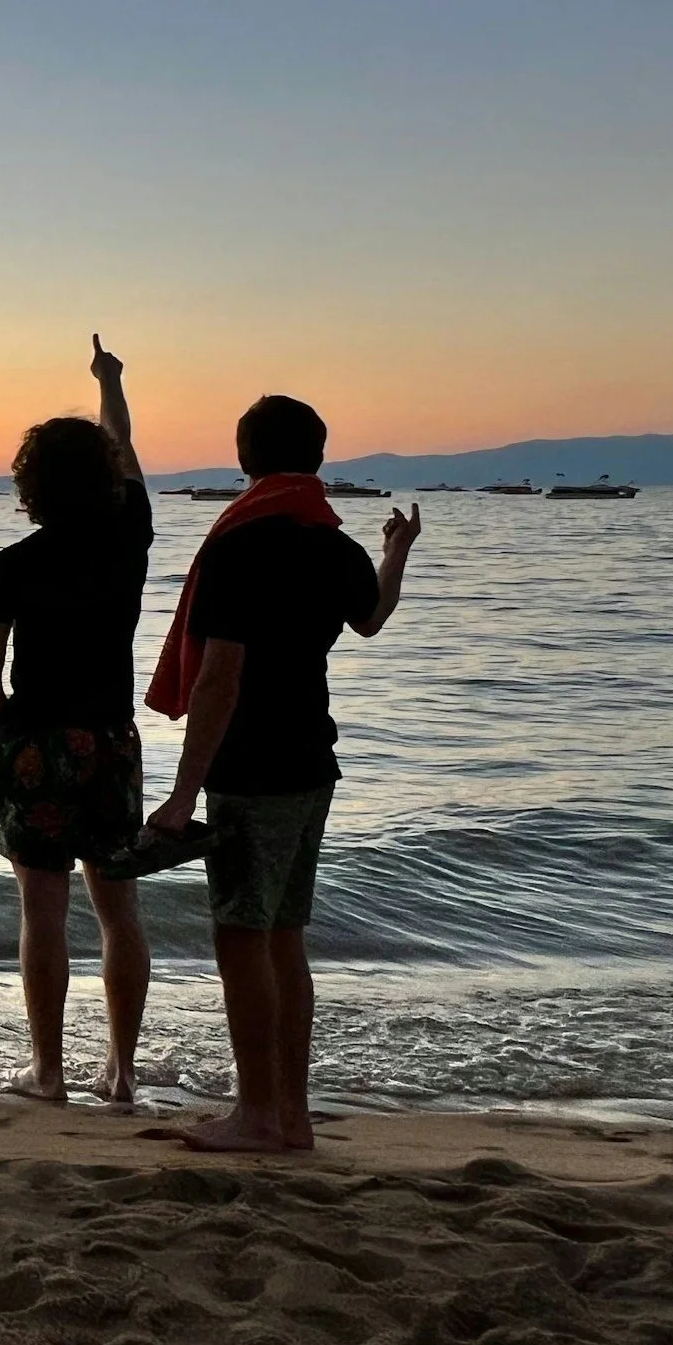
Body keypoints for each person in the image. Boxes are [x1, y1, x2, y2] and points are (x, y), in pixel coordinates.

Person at [143, 395, 420, 1153]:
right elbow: (371, 619)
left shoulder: (243, 543)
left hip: (252, 769)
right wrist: (396, 550)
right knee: (284, 939)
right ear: (319, 458)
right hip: (310, 764)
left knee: (242, 938)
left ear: (244, 457)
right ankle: (289, 1114)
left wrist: (181, 793)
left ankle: (259, 1113)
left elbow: (219, 680)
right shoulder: (334, 543)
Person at [0, 337, 154, 1104]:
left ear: (30, 485)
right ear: (106, 476)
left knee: (41, 911)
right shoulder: (130, 537)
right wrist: (109, 382)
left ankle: (47, 1070)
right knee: (118, 911)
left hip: (38, 741)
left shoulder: (12, 564)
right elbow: (126, 445)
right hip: (110, 741)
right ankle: (120, 1070)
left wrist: (13, 740)